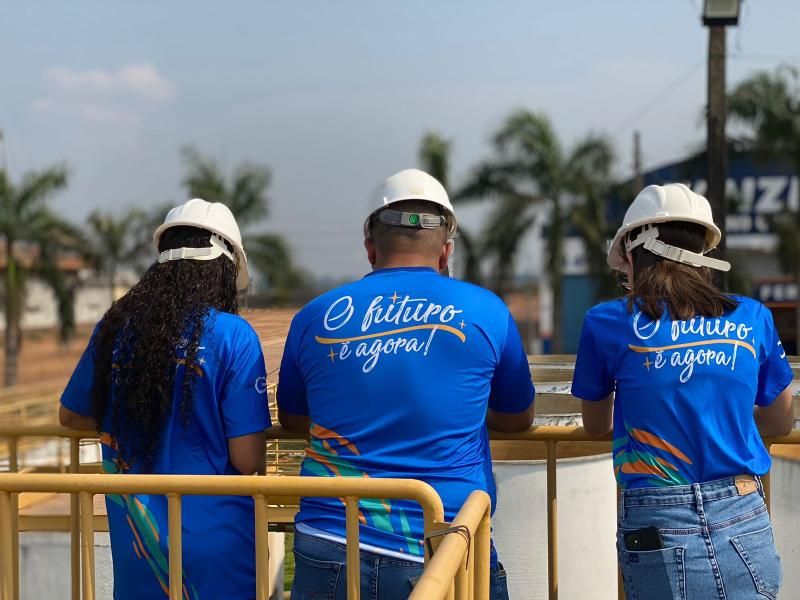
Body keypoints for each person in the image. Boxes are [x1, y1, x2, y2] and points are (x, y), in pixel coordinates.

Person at [277, 169, 535, 600]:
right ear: (446, 251)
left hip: (332, 542)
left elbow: (292, 417)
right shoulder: (487, 311)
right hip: (448, 542)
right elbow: (517, 416)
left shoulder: (315, 315)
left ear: (370, 249)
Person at [572, 183, 794, 600]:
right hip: (743, 510)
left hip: (655, 519)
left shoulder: (605, 322)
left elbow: (595, 424)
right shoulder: (752, 316)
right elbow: (780, 419)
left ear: (635, 254)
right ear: (704, 257)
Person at [59, 198, 271, 600]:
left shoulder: (115, 327)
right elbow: (246, 459)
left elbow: (70, 415)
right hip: (216, 548)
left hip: (138, 545)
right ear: (224, 270)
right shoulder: (233, 335)